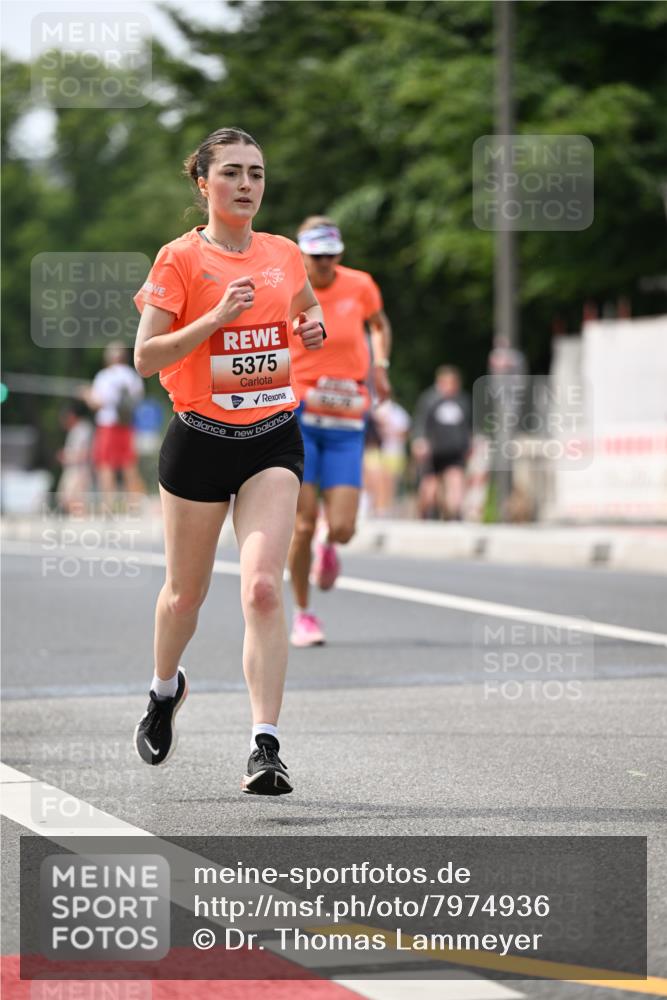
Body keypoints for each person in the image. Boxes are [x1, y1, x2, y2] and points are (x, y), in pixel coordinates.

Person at [131, 127, 325, 795]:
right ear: (203, 184)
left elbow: (303, 307)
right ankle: (163, 690)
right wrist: (213, 319)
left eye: (257, 173)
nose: (246, 184)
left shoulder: (284, 254)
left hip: (272, 435)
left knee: (263, 588)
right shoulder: (179, 259)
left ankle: (264, 745)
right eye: (233, 173)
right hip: (199, 439)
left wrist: (312, 325)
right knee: (185, 595)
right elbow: (146, 357)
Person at [287, 217, 392, 647]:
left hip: (348, 419)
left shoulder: (360, 285)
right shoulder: (288, 288)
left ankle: (331, 548)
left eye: (331, 254)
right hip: (300, 415)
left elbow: (380, 325)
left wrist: (380, 366)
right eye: (316, 256)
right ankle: (304, 615)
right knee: (303, 525)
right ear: (303, 255)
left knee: (344, 526)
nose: (325, 263)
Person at [82, 342, 146, 504]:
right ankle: (135, 503)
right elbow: (138, 399)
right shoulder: (132, 375)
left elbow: (98, 402)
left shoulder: (105, 376)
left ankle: (108, 503)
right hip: (127, 424)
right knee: (128, 464)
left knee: (105, 464)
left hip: (108, 424)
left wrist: (86, 395)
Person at [411, 366, 471, 520]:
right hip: (433, 451)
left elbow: (467, 427)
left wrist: (469, 445)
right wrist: (419, 441)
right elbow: (420, 423)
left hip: (454, 450)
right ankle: (426, 515)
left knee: (455, 482)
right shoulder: (430, 399)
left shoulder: (462, 401)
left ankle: (455, 516)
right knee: (429, 488)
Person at [55, 399, 94, 513]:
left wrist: (68, 457)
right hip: (72, 470)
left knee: (76, 501)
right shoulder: (75, 430)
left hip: (79, 470)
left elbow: (86, 453)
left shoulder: (83, 429)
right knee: (65, 499)